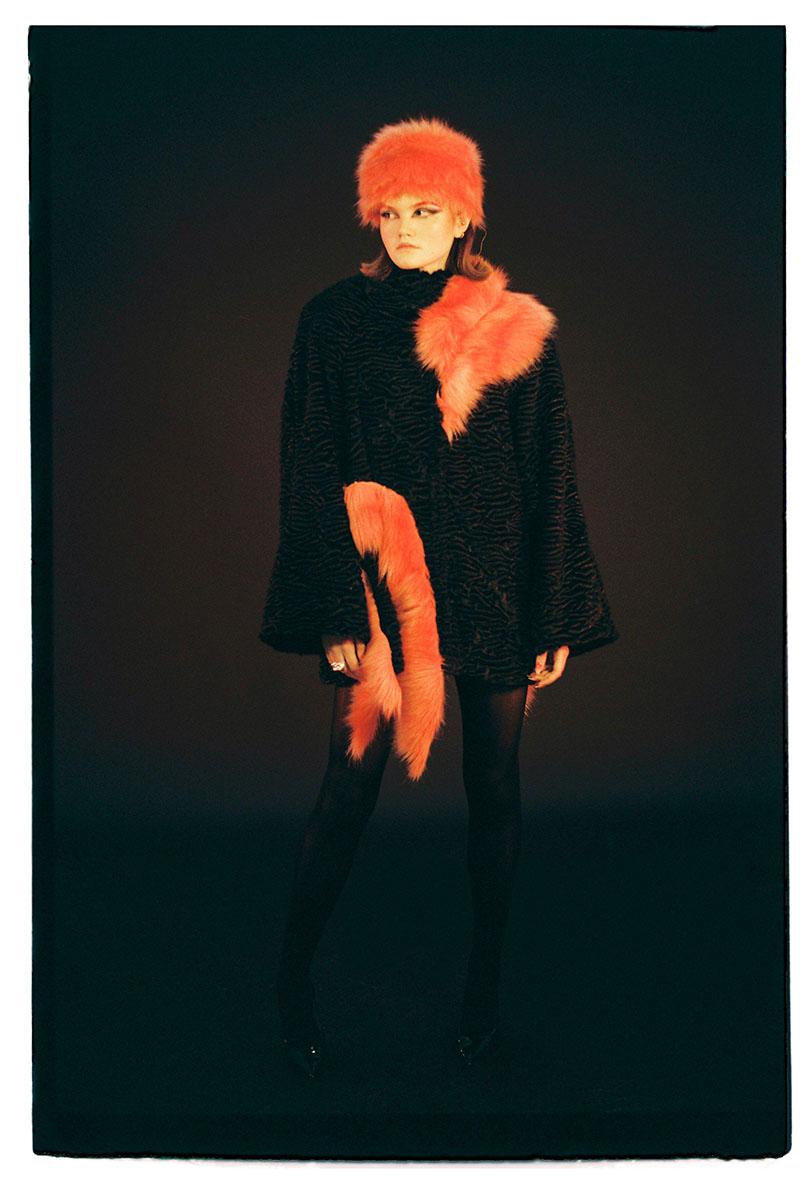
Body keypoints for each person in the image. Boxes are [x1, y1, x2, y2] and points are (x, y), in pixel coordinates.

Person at [258, 117, 617, 1077]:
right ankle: (292, 984)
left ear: (464, 218)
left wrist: (555, 608)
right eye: (392, 210)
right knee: (347, 789)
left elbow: (550, 472)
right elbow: (309, 463)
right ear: (372, 219)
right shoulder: (332, 321)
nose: (408, 226)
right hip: (385, 585)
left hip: (498, 581)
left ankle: (483, 991)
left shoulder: (516, 327)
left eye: (428, 208)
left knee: (495, 788)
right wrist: (335, 606)